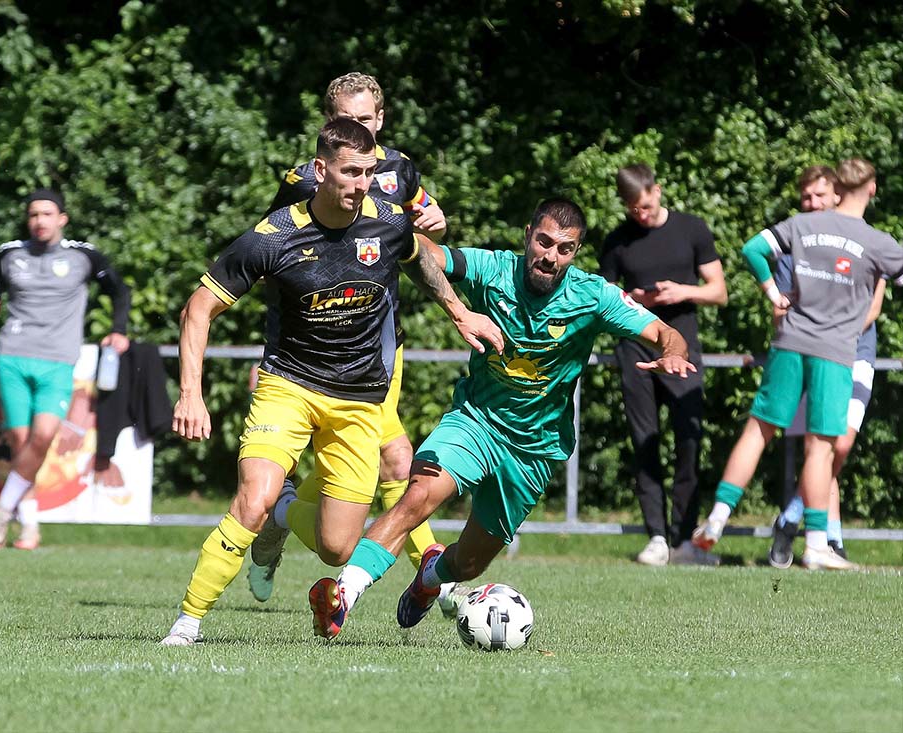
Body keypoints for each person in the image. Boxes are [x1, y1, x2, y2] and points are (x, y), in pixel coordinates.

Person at [160, 118, 502, 646]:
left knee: (338, 549)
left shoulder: (388, 223)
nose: (361, 183)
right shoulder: (274, 236)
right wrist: (190, 393)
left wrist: (459, 312)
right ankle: (188, 622)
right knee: (252, 497)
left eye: (368, 172)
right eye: (349, 172)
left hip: (360, 399)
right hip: (288, 386)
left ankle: (283, 511)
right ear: (321, 170)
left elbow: (422, 262)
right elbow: (198, 308)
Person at [307, 198, 696, 640]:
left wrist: (672, 354)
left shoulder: (593, 296)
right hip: (476, 422)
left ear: (576, 252)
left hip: (534, 449)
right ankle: (344, 595)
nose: (550, 256)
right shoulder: (492, 269)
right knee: (419, 494)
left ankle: (431, 576)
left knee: (470, 562)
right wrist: (406, 234)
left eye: (564, 249)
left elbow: (666, 332)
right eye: (544, 241)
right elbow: (430, 255)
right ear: (528, 235)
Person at [246, 72, 452, 607]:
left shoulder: (402, 170)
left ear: (380, 120)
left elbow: (420, 238)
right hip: (316, 349)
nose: (355, 127)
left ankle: (284, 516)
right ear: (327, 124)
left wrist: (437, 222)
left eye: (364, 119)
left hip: (384, 338)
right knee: (396, 458)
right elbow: (276, 267)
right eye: (344, 119)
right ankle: (434, 577)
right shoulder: (303, 181)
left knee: (382, 464)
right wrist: (269, 351)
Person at [693, 158, 903, 570]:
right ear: (873, 189)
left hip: (790, 342)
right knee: (820, 449)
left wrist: (773, 293)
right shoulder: (877, 242)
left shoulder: (802, 225)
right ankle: (816, 544)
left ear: (837, 188)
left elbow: (753, 249)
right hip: (835, 352)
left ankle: (717, 518)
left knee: (758, 429)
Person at [0, 189, 131, 550]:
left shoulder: (84, 255)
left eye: (47, 214)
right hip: (14, 357)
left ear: (62, 218)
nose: (40, 221)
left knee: (44, 436)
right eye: (34, 215)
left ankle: (3, 508)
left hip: (58, 362)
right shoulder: (7, 255)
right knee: (19, 442)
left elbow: (120, 290)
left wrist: (119, 329)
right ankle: (29, 526)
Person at [599, 164, 727, 566]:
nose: (641, 213)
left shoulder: (692, 229)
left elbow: (719, 291)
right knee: (645, 440)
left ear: (657, 190)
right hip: (635, 348)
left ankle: (685, 539)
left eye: (645, 204)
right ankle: (656, 536)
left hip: (683, 346)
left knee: (688, 438)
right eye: (632, 208)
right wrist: (634, 299)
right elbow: (604, 298)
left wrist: (680, 292)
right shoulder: (617, 241)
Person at [768, 165, 885, 568]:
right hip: (809, 352)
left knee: (841, 443)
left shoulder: (871, 241)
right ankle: (829, 541)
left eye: (821, 195)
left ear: (838, 195)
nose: (813, 203)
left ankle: (789, 520)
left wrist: (834, 330)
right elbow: (780, 305)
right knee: (820, 448)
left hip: (854, 351)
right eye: (807, 198)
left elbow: (874, 305)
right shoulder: (796, 240)